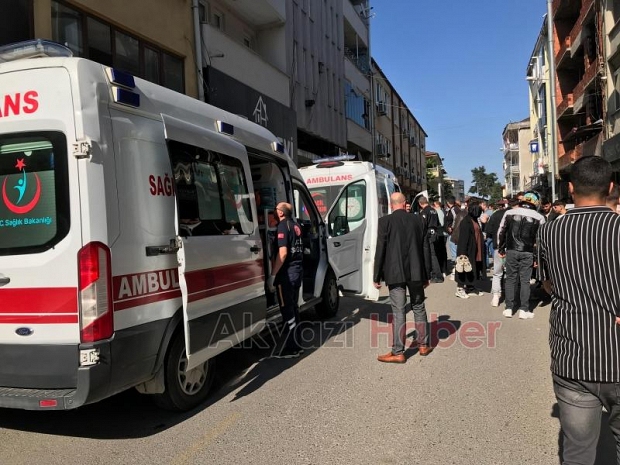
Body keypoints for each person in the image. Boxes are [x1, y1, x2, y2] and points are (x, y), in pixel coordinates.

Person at [537, 155, 620, 465]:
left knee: (578, 449)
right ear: (610, 186)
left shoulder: (550, 231)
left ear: (570, 188)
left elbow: (547, 284)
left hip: (573, 355)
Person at [373, 192, 432, 363]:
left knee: (398, 312)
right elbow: (424, 248)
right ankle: (423, 345)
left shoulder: (385, 221)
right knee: (419, 307)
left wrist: (376, 275)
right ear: (405, 203)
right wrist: (426, 274)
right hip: (416, 272)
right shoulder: (418, 220)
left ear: (391, 205)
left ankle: (398, 352)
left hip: (395, 272)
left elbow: (380, 250)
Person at [497, 191, 545, 319]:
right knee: (525, 281)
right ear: (536, 203)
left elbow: (501, 232)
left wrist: (501, 249)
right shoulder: (539, 217)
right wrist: (537, 257)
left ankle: (508, 308)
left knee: (510, 279)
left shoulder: (509, 213)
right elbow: (540, 240)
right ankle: (524, 309)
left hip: (511, 250)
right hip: (528, 252)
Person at [267, 202, 305, 358]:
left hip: (286, 275)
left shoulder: (283, 226)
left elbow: (282, 254)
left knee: (287, 310)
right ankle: (297, 343)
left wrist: (273, 275)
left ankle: (292, 348)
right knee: (294, 308)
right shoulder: (296, 226)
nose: (274, 212)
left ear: (281, 213)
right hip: (297, 271)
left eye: (276, 209)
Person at [484, 198, 513, 306]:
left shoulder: (495, 215)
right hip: (513, 247)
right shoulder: (514, 215)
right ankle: (511, 297)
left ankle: (496, 296)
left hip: (498, 247)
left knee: (497, 273)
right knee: (512, 273)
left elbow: (489, 231)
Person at [454, 200, 486, 299]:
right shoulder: (466, 221)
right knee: (463, 268)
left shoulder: (474, 219)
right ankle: (460, 289)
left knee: (472, 267)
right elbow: (463, 239)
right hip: (467, 250)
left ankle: (470, 287)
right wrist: (462, 254)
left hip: (476, 248)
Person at [418, 196, 443, 282]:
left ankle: (437, 276)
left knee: (431, 256)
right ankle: (435, 274)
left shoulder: (425, 212)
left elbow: (422, 225)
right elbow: (438, 223)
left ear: (420, 204)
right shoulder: (434, 210)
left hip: (428, 235)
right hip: (435, 233)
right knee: (434, 254)